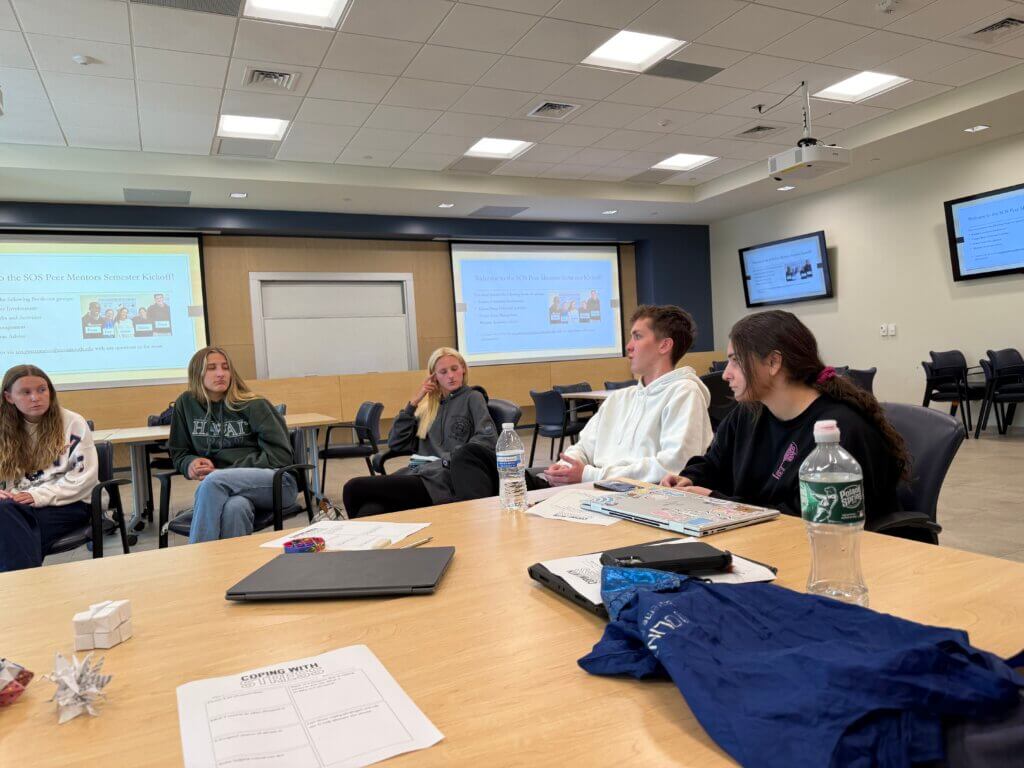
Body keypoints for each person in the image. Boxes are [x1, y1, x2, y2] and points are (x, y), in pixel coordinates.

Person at [660, 310, 907, 528]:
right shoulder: (749, 413)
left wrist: (716, 501)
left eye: (736, 360)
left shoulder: (837, 431)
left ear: (773, 362)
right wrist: (690, 479)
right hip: (756, 543)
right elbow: (714, 463)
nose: (726, 374)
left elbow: (808, 521)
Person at [541, 305, 713, 486]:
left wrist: (591, 475)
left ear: (664, 345)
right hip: (596, 490)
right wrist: (565, 467)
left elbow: (673, 467)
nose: (628, 346)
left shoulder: (685, 393)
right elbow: (584, 448)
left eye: (638, 336)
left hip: (645, 500)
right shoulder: (618, 398)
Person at [342, 347, 497, 518]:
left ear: (463, 369)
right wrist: (416, 400)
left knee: (353, 488)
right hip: (417, 473)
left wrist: (449, 459)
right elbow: (396, 443)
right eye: (443, 372)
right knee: (370, 510)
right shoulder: (428, 406)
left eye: (454, 369)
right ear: (433, 376)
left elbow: (486, 438)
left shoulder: (473, 397)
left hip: (441, 481)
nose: (451, 376)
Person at [168, 346, 296, 543]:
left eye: (225, 368)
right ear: (197, 373)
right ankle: (232, 572)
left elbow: (281, 456)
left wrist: (224, 472)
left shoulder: (254, 404)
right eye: (211, 368)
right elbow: (179, 452)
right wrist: (190, 464)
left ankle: (196, 563)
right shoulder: (186, 404)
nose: (220, 373)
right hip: (229, 489)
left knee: (213, 481)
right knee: (235, 508)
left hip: (278, 482)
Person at [0, 365, 98, 572]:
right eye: (26, 392)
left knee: (11, 532)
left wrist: (37, 496)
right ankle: (29, 589)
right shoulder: (3, 428)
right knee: (10, 522)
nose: (35, 397)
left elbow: (84, 479)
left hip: (70, 502)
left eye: (42, 390)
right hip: (16, 505)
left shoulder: (73, 423)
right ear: (9, 397)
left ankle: (19, 591)